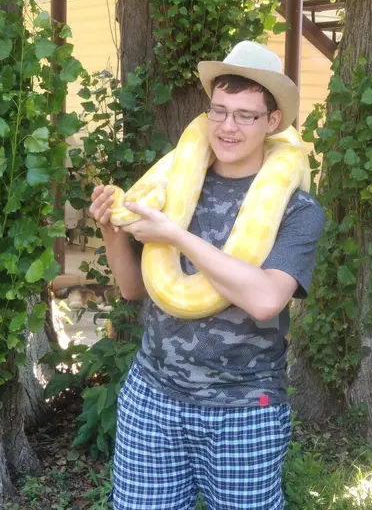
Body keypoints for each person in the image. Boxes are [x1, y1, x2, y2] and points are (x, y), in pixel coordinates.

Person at [89, 41, 325, 510]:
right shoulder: (176, 188)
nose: (227, 127)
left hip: (245, 411)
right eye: (218, 111)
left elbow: (265, 300)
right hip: (153, 398)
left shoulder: (298, 209)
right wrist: (111, 230)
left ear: (273, 121)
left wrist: (176, 236)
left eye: (245, 115)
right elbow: (133, 289)